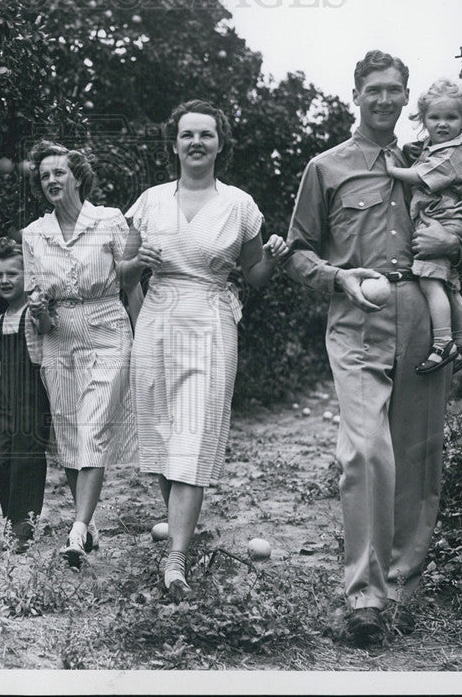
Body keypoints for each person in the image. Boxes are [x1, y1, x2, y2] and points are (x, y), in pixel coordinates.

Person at [284, 50, 462, 645]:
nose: (385, 99)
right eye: (375, 89)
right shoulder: (327, 167)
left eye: (395, 89)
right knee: (366, 449)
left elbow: (458, 214)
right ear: (357, 94)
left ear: (406, 95)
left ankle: (404, 585)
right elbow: (296, 250)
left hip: (421, 306)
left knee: (419, 451)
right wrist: (338, 278)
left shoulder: (430, 159)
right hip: (357, 313)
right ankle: (365, 595)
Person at [121, 100, 290, 600]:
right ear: (174, 144)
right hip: (156, 320)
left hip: (211, 320)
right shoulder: (149, 200)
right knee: (160, 432)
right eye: (188, 135)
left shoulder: (239, 205)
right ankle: (180, 530)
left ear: (220, 144)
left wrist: (276, 259)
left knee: (193, 437)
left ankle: (176, 557)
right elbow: (122, 272)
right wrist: (138, 262)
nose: (197, 143)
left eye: (207, 135)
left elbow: (255, 275)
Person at [21, 141, 140, 568]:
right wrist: (38, 311)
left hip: (107, 329)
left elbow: (130, 282)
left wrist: (143, 337)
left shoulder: (109, 220)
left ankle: (75, 528)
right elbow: (41, 316)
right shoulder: (34, 235)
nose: (51, 181)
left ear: (78, 177)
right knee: (71, 436)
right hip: (59, 339)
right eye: (44, 176)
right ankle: (86, 526)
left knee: (92, 431)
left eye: (59, 173)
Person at [385, 78, 462, 374]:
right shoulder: (446, 147)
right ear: (424, 120)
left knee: (430, 282)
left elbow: (420, 176)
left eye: (451, 117)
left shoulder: (452, 155)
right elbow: (425, 156)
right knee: (450, 286)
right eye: (434, 117)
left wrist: (391, 169)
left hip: (441, 222)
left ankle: (443, 344)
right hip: (451, 221)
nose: (442, 124)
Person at [0, 238, 52, 552]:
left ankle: (22, 529)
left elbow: (48, 330)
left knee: (26, 463)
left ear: (27, 275)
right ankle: (15, 517)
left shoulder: (32, 314)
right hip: (7, 401)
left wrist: (42, 311)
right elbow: (0, 367)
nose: (5, 281)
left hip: (33, 400)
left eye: (12, 274)